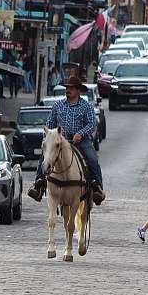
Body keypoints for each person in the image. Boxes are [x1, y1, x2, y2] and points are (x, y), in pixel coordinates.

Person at [27, 76, 105, 206]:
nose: (68, 90)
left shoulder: (86, 106)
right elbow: (50, 123)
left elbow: (92, 124)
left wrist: (80, 133)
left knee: (92, 159)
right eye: (67, 88)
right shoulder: (58, 105)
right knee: (45, 157)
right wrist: (47, 138)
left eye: (71, 88)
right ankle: (38, 184)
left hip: (80, 140)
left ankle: (97, 187)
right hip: (60, 140)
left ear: (78, 91)